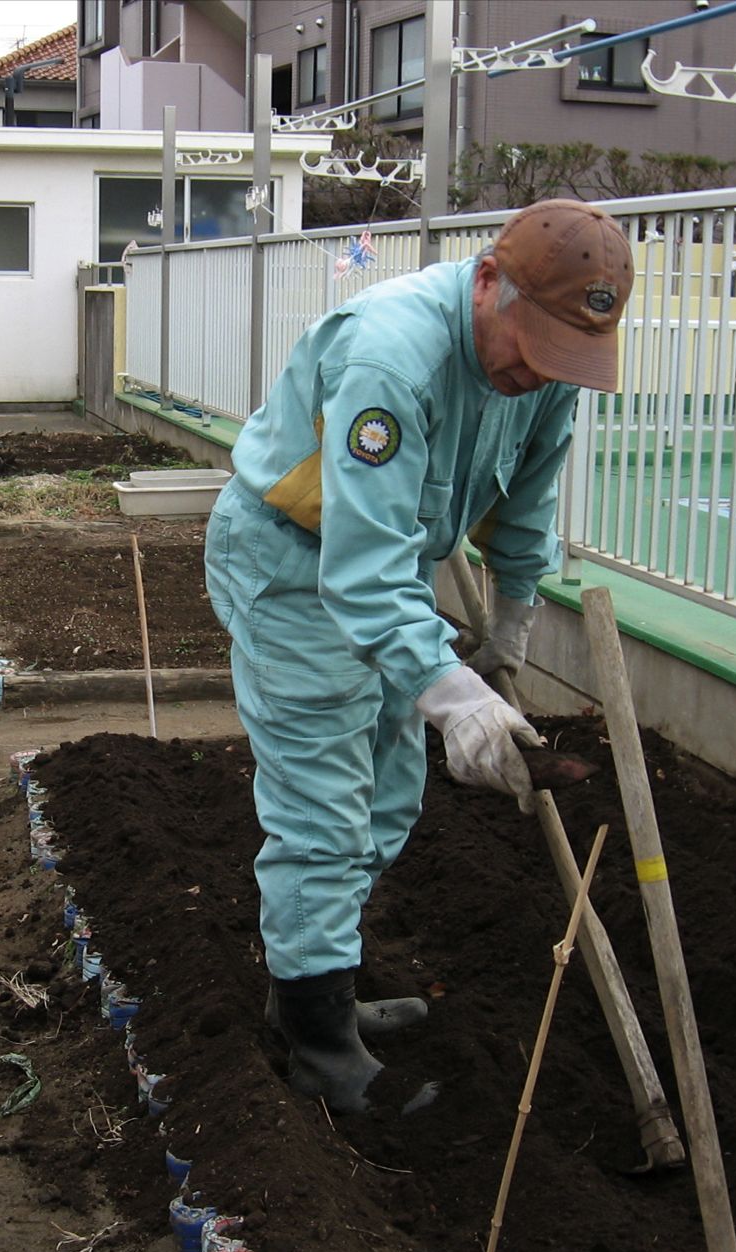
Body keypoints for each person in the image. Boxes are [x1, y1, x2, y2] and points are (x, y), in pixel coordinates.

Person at [203, 199, 634, 1114]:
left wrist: (509, 623)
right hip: (295, 562)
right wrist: (454, 694)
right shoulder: (389, 356)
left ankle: (310, 982)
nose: (535, 375)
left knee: (390, 792)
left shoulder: (542, 364)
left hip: (387, 575)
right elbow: (357, 570)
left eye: (562, 359)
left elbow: (526, 501)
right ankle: (319, 1045)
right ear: (487, 282)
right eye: (531, 348)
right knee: (321, 803)